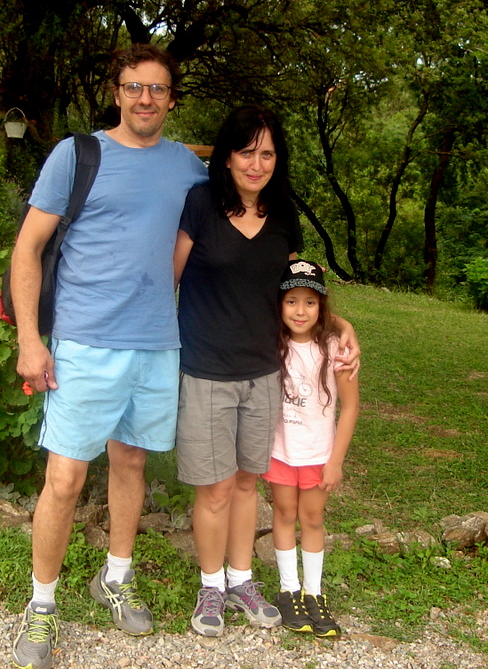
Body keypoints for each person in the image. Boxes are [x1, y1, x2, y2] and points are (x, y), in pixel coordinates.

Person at [10, 43, 208, 669]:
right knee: (64, 479)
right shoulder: (77, 156)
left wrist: (325, 316)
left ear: (171, 99)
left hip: (156, 343)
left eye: (157, 88)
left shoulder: (188, 168)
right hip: (84, 344)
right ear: (117, 93)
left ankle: (115, 577)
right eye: (134, 87)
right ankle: (42, 603)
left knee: (131, 464)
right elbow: (28, 248)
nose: (145, 98)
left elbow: (238, 225)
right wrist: (29, 339)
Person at [173, 105, 359, 638]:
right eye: (247, 152)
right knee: (213, 488)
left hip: (264, 372)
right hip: (207, 370)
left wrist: (341, 323)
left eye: (268, 154)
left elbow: (296, 288)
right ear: (227, 156)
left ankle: (241, 580)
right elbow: (169, 280)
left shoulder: (282, 213)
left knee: (246, 484)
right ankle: (211, 587)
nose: (257, 164)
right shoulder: (201, 203)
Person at [263, 259, 360, 638]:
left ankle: (314, 592)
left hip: (319, 454)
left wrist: (336, 461)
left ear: (322, 305)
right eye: (291, 301)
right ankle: (289, 590)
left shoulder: (336, 349)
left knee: (313, 519)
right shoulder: (271, 342)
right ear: (279, 304)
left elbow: (350, 407)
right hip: (280, 451)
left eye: (310, 302)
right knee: (285, 513)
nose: (300, 311)